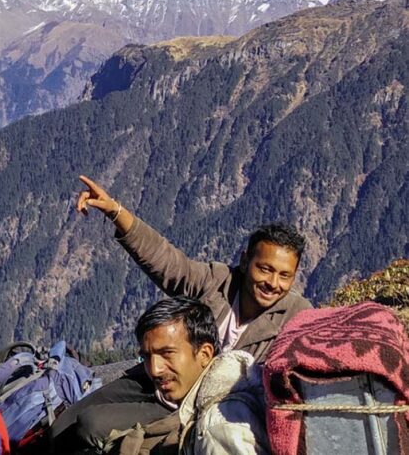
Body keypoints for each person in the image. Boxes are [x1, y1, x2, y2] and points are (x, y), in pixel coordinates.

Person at [50, 175, 310, 451]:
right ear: (246, 261)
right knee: (61, 426)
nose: (273, 283)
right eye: (265, 269)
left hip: (194, 407)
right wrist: (115, 212)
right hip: (155, 378)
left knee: (91, 425)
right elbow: (168, 264)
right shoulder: (218, 282)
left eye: (285, 276)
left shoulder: (295, 317)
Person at [110, 297, 269, 455]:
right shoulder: (218, 403)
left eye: (167, 353)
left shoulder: (218, 427)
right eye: (146, 356)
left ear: (204, 354)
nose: (154, 370)